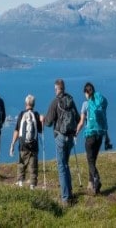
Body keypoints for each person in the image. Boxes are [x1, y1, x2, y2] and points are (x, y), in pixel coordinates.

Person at [42, 78, 79, 207]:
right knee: (66, 164)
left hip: (60, 137)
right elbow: (78, 118)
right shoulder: (71, 100)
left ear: (57, 89)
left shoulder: (55, 102)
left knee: (61, 166)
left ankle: (65, 198)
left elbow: (48, 122)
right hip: (70, 137)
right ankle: (70, 192)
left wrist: (43, 118)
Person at [76, 82, 109, 195]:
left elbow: (81, 122)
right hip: (99, 135)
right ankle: (92, 185)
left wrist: (75, 133)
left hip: (90, 135)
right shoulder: (100, 104)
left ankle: (96, 179)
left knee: (90, 161)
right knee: (93, 160)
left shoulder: (86, 104)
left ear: (86, 92)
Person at [9, 94, 42, 189]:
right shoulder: (36, 115)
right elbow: (40, 130)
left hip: (23, 146)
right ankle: (32, 186)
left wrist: (12, 144)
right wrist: (41, 120)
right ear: (34, 104)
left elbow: (17, 130)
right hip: (34, 146)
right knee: (33, 166)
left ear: (25, 104)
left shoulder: (21, 114)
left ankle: (20, 183)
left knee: (21, 164)